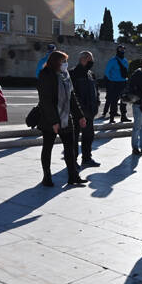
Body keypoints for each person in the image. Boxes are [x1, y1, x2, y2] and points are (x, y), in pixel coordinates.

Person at [37, 51, 88, 187]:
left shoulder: (66, 75)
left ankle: (73, 176)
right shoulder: (45, 74)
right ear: (55, 62)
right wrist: (54, 121)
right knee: (47, 148)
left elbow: (72, 97)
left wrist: (80, 115)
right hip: (50, 119)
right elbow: (45, 101)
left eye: (66, 61)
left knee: (70, 148)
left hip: (66, 117)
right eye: (63, 61)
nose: (66, 64)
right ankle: (46, 176)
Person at [70, 51, 101, 167]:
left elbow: (96, 90)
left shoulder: (91, 74)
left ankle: (87, 158)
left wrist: (97, 103)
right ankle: (73, 161)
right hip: (78, 113)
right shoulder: (73, 73)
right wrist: (80, 111)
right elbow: (73, 94)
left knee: (89, 136)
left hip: (90, 112)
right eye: (90, 59)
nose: (92, 62)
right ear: (83, 59)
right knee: (74, 137)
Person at [103, 45, 130, 123]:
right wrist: (111, 79)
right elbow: (107, 72)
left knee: (124, 100)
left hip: (123, 82)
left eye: (123, 49)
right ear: (117, 50)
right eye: (120, 49)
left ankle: (124, 116)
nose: (122, 51)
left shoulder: (125, 60)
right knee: (114, 100)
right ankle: (112, 117)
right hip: (114, 83)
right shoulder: (112, 60)